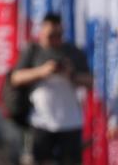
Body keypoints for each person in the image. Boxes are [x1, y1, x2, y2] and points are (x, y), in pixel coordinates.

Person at [10, 13, 91, 165]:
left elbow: (91, 81)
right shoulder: (33, 50)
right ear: (41, 32)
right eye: (51, 36)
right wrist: (42, 71)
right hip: (41, 121)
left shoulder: (73, 52)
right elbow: (15, 78)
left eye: (58, 35)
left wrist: (71, 74)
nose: (55, 40)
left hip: (70, 122)